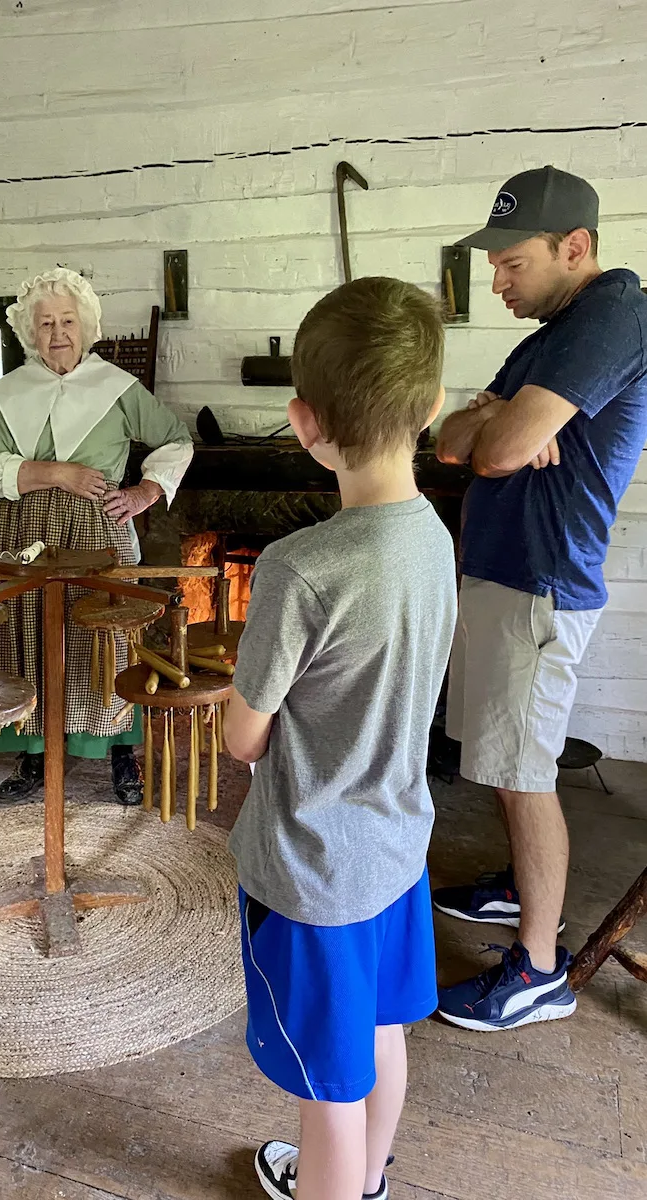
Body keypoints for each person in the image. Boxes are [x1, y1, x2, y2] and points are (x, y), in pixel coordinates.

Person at [224, 277, 456, 1200]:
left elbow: (245, 739)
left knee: (327, 1084)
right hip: (398, 851)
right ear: (433, 408)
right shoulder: (435, 535)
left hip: (313, 870)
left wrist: (226, 710)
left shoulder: (299, 568)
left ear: (302, 422)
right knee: (379, 1033)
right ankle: (365, 1182)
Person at [434, 166, 647, 1030]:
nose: (498, 281)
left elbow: (494, 448)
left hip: (543, 579)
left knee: (524, 776)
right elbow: (452, 440)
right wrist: (495, 421)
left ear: (576, 247)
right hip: (507, 570)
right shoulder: (549, 336)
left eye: (513, 263)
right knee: (501, 757)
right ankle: (523, 887)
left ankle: (537, 973)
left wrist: (505, 425)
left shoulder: (614, 316)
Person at [0, 268, 192, 805]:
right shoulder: (10, 392)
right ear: (30, 331)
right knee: (29, 643)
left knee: (108, 644)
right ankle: (35, 751)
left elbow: (177, 441)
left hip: (97, 532)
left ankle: (121, 753)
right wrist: (57, 473)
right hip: (23, 535)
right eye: (45, 323)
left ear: (86, 325)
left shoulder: (116, 387)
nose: (57, 333)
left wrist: (142, 494)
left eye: (67, 320)